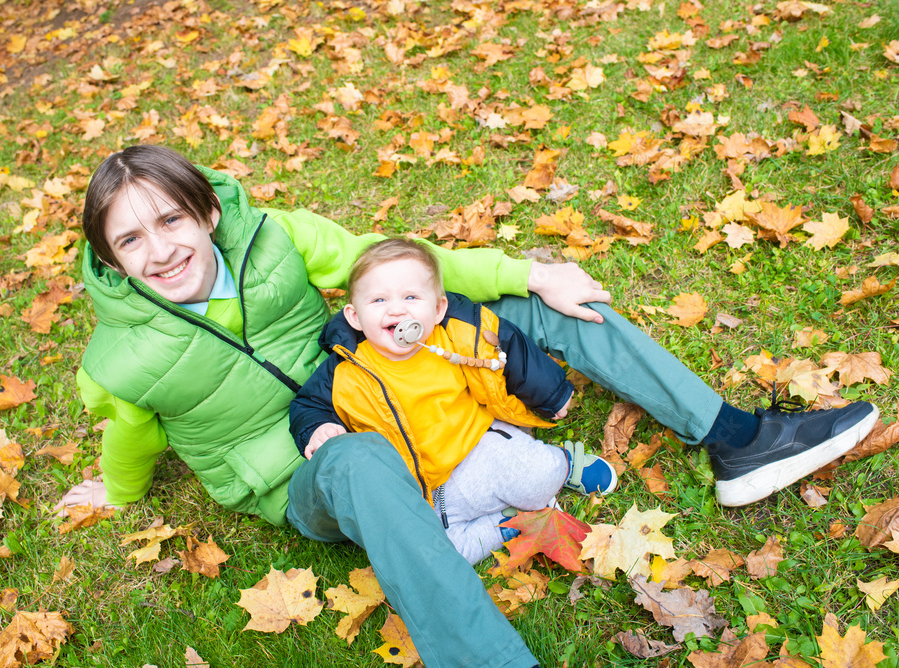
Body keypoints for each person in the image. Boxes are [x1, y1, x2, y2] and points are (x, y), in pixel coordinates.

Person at [59, 144, 878, 668]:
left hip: (392, 373)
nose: (161, 249)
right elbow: (128, 436)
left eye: (171, 219)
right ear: (109, 257)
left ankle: (737, 438)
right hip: (316, 470)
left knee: (550, 309)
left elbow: (407, 270)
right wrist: (116, 490)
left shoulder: (277, 237)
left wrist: (529, 275)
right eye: (130, 241)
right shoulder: (118, 359)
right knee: (360, 459)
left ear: (204, 211)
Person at [288, 239, 619, 565]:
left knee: (536, 478)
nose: (396, 308)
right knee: (441, 555)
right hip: (431, 489)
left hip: (479, 446)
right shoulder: (345, 370)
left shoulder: (455, 336)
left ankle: (563, 464)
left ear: (437, 309)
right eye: (378, 300)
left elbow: (509, 349)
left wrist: (549, 393)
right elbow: (308, 404)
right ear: (355, 317)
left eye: (410, 297)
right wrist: (319, 427)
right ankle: (507, 521)